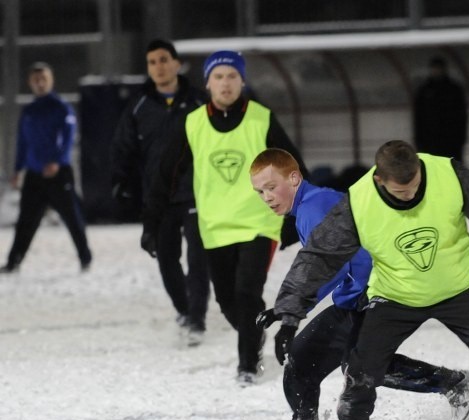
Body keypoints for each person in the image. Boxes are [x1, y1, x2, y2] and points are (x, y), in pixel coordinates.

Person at [268, 140, 469, 420]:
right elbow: (319, 257)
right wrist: (289, 314)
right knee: (360, 370)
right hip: (395, 294)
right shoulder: (360, 201)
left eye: (415, 187)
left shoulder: (447, 176)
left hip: (461, 287)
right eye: (401, 193)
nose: (411, 196)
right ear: (380, 181)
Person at [249, 148, 469, 420]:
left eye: (271, 187)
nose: (266, 197)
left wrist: (291, 310)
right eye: (260, 192)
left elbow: (329, 267)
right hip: (356, 296)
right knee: (302, 361)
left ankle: (456, 384)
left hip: (378, 294)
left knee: (360, 366)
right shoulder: (312, 204)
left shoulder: (313, 207)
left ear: (293, 178)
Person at [143, 50, 305, 384]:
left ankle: (247, 366)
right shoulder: (193, 123)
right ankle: (255, 331)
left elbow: (292, 166)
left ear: (242, 81)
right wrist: (152, 224)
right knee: (228, 302)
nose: (225, 83)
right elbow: (165, 175)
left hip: (258, 224)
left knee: (247, 292)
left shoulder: (261, 118)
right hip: (215, 227)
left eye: (232, 76)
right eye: (218, 77)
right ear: (207, 83)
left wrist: (295, 215)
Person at [110, 39, 209, 343]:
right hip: (159, 196)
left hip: (197, 192)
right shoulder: (139, 106)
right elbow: (123, 147)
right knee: (165, 258)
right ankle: (183, 308)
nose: (159, 66)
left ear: (177, 64)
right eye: (152, 62)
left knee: (198, 259)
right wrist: (121, 181)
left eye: (164, 59)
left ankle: (196, 318)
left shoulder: (199, 101)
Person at [1, 62, 92, 274]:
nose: (40, 83)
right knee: (26, 220)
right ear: (30, 83)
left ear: (51, 81)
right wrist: (17, 169)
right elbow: (22, 142)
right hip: (34, 175)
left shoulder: (61, 108)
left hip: (58, 174)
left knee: (72, 217)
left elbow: (68, 138)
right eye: (36, 80)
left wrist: (57, 161)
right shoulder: (29, 111)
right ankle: (14, 262)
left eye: (44, 79)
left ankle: (85, 257)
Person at [413, 56, 468, 162]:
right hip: (430, 141)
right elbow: (419, 118)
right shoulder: (424, 90)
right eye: (435, 68)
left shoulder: (453, 89)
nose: (436, 71)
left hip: (451, 140)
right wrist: (419, 141)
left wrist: (460, 138)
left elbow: (461, 116)